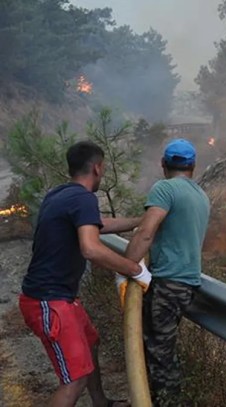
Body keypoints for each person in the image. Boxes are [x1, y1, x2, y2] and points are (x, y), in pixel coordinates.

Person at [18, 141, 152, 407]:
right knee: (74, 381)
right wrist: (135, 270)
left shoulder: (59, 194)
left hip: (59, 297)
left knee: (91, 341)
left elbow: (99, 224)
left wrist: (141, 221)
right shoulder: (83, 198)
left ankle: (101, 402)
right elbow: (90, 249)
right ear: (97, 167)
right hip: (48, 301)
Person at [124, 138, 210, 406]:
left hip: (167, 284)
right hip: (187, 285)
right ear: (193, 166)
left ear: (163, 164)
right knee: (165, 353)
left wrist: (126, 267)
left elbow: (146, 233)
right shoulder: (200, 195)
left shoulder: (164, 188)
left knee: (158, 356)